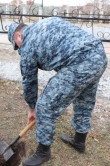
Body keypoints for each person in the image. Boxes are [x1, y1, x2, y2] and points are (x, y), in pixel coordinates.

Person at [8, 17, 107, 166]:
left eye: (16, 46)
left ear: (18, 36)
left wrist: (32, 108)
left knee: (46, 106)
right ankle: (79, 141)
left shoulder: (27, 44)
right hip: (98, 55)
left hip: (80, 62)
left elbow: (29, 80)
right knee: (84, 100)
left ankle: (43, 152)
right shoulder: (46, 22)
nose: (19, 50)